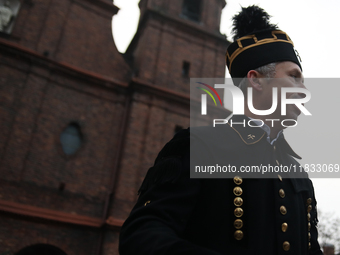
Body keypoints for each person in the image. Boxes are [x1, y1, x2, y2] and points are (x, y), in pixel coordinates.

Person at [119, 5, 323, 255]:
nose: (304, 90)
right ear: (256, 80)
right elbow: (141, 235)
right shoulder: (200, 145)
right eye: (294, 77)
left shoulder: (297, 174)